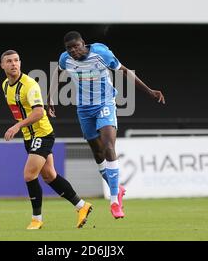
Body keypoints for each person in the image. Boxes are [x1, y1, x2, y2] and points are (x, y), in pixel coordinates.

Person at [47, 31, 165, 219]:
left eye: (76, 46)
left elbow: (124, 70)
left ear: (83, 43)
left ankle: (114, 202)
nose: (73, 51)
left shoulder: (101, 53)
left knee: (109, 146)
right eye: (69, 48)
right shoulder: (65, 59)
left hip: (105, 103)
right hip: (84, 109)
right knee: (97, 151)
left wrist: (149, 90)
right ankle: (117, 189)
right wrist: (50, 96)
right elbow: (57, 71)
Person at [0, 49, 93, 230]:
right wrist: (22, 127)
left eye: (17, 60)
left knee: (29, 175)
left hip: (42, 134)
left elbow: (39, 112)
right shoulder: (5, 85)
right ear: (2, 65)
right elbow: (20, 111)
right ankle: (82, 206)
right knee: (50, 176)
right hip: (30, 136)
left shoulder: (29, 85)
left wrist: (17, 126)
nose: (14, 64)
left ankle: (37, 219)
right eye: (9, 61)